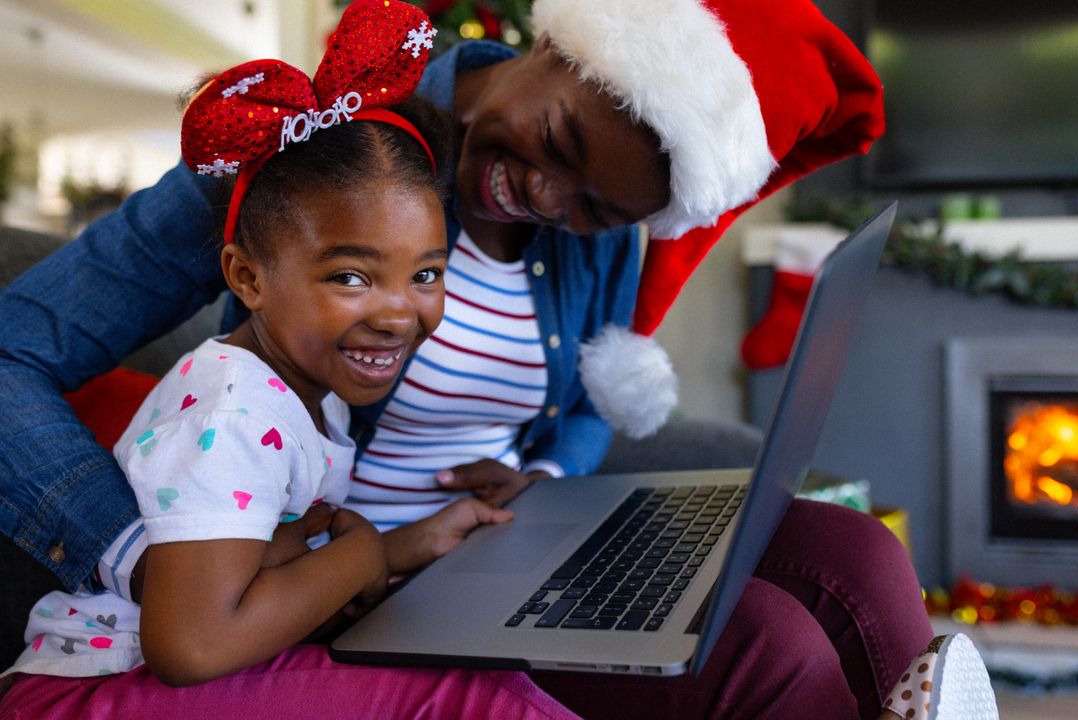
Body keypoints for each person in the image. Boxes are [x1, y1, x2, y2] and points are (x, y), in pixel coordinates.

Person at [0, 0, 990, 718]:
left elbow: (591, 401)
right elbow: (10, 355)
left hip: (490, 541)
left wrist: (548, 476)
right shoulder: (323, 153)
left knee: (855, 553)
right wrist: (138, 557)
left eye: (599, 210)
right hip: (354, 584)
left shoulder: (601, 236)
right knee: (769, 647)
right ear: (558, 43)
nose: (548, 203)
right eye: (556, 140)